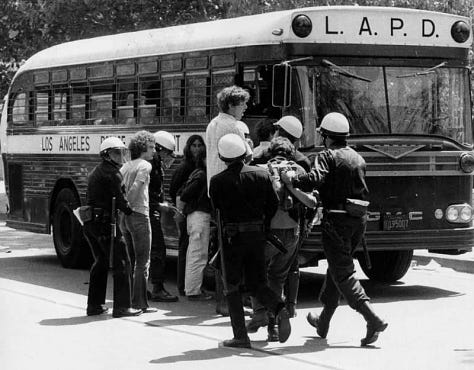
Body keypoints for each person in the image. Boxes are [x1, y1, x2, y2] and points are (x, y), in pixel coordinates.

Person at [282, 112, 388, 346]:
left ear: (326, 136)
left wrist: (292, 179)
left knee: (342, 272)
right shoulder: (358, 157)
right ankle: (323, 320)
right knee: (335, 269)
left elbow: (314, 179)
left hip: (336, 221)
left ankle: (372, 318)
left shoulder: (327, 155)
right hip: (357, 221)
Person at [209, 133, 291, 348]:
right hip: (256, 236)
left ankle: (240, 336)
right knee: (258, 282)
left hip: (231, 239)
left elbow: (215, 212)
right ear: (245, 153)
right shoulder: (261, 175)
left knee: (232, 285)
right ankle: (280, 309)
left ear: (223, 157)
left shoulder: (217, 182)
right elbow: (272, 205)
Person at [246, 137, 317, 341]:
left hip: (269, 233)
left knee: (256, 272)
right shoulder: (300, 171)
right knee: (278, 277)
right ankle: (274, 328)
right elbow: (311, 203)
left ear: (271, 151)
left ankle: (259, 311)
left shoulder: (263, 171)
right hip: (292, 233)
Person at [205, 85, 252, 316]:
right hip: (233, 190)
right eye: (242, 103)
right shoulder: (232, 125)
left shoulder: (213, 123)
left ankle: (223, 300)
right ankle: (230, 301)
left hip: (215, 188)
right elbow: (244, 156)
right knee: (233, 250)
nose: (245, 108)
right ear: (232, 104)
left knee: (222, 245)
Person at [83, 137, 141, 318]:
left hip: (92, 223)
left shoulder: (97, 171)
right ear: (106, 155)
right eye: (116, 152)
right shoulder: (113, 174)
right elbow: (122, 201)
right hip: (107, 225)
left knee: (100, 262)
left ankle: (94, 305)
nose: (120, 156)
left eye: (121, 152)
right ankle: (122, 307)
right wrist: (133, 212)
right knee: (122, 262)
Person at [120, 130, 156, 313]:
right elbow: (136, 187)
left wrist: (123, 210)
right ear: (142, 148)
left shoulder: (125, 166)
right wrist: (129, 205)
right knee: (143, 262)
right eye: (151, 147)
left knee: (131, 260)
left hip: (123, 218)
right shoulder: (145, 166)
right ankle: (140, 303)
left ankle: (129, 300)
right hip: (139, 214)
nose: (154, 151)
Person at [169, 135, 206, 296]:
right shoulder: (185, 167)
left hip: (187, 210)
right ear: (188, 147)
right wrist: (180, 211)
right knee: (185, 247)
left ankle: (185, 284)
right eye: (193, 145)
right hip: (185, 211)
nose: (197, 149)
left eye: (199, 145)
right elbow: (176, 191)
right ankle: (182, 284)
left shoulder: (196, 167)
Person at [179, 138, 212, 301]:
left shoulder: (196, 173)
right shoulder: (202, 175)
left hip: (195, 216)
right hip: (199, 216)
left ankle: (192, 288)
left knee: (195, 254)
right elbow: (185, 194)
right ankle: (193, 290)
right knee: (197, 255)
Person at [147, 130, 178, 302]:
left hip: (153, 212)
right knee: (157, 250)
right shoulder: (150, 167)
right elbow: (145, 194)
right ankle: (157, 288)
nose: (169, 157)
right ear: (158, 149)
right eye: (167, 153)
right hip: (150, 213)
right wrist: (160, 206)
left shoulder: (155, 166)